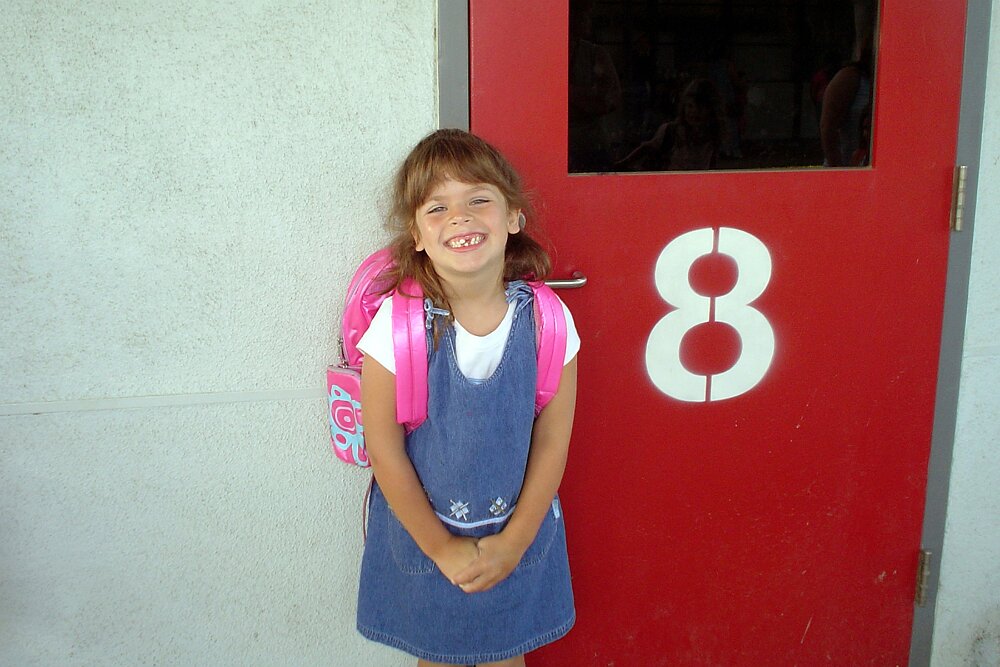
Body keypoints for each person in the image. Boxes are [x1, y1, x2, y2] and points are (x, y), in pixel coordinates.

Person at [355, 129, 580, 667]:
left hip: (517, 534)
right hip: (426, 540)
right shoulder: (398, 327)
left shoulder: (549, 322)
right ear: (416, 234)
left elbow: (553, 441)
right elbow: (383, 448)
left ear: (513, 217)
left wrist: (515, 542)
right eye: (438, 208)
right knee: (439, 655)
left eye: (478, 199)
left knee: (506, 653)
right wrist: (442, 548)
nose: (459, 217)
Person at [617, 77, 724, 171]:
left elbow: (711, 164)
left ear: (711, 110)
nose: (694, 112)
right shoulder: (672, 131)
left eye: (700, 108)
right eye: (690, 106)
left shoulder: (712, 137)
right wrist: (622, 164)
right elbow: (648, 147)